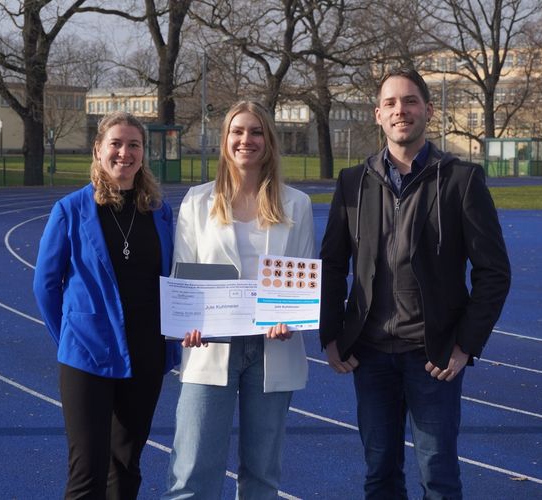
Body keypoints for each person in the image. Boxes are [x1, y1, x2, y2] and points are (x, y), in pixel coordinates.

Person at [319, 67, 511, 499]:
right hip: (369, 356)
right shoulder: (354, 182)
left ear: (428, 109)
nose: (400, 110)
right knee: (379, 474)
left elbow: (494, 272)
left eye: (409, 101)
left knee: (438, 476)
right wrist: (330, 335)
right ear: (377, 114)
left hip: (433, 358)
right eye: (390, 103)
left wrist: (464, 345)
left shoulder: (461, 180)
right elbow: (331, 265)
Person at [162, 101, 315, 499]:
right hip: (210, 349)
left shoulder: (296, 204)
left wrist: (291, 319)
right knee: (192, 471)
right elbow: (185, 274)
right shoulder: (197, 203)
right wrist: (186, 324)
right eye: (238, 131)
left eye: (256, 132)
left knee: (262, 474)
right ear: (225, 140)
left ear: (269, 141)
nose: (247, 140)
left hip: (273, 349)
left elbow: (301, 279)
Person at [33, 111, 181, 499]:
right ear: (98, 150)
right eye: (116, 143)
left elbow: (173, 277)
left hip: (146, 354)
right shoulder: (71, 210)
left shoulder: (159, 211)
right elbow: (46, 285)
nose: (124, 152)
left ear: (143, 153)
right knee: (87, 472)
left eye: (134, 145)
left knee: (126, 466)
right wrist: (70, 335)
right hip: (88, 356)